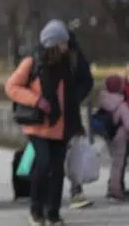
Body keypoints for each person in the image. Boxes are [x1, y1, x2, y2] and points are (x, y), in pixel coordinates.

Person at [6, 19, 78, 226]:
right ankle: (35, 211)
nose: (66, 45)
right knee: (42, 163)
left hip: (61, 126)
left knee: (57, 169)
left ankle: (53, 213)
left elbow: (73, 92)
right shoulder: (33, 61)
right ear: (54, 43)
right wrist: (36, 100)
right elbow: (12, 86)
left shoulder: (68, 62)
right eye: (63, 42)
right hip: (37, 124)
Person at [62, 29, 95, 209]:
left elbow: (87, 81)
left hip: (69, 114)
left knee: (72, 153)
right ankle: (72, 190)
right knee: (59, 155)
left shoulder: (75, 59)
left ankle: (75, 189)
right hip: (60, 115)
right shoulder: (54, 58)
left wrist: (75, 97)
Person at [97, 75, 129, 201]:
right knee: (119, 164)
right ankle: (115, 190)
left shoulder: (104, 99)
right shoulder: (121, 104)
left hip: (110, 135)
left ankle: (114, 188)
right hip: (121, 136)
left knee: (115, 163)